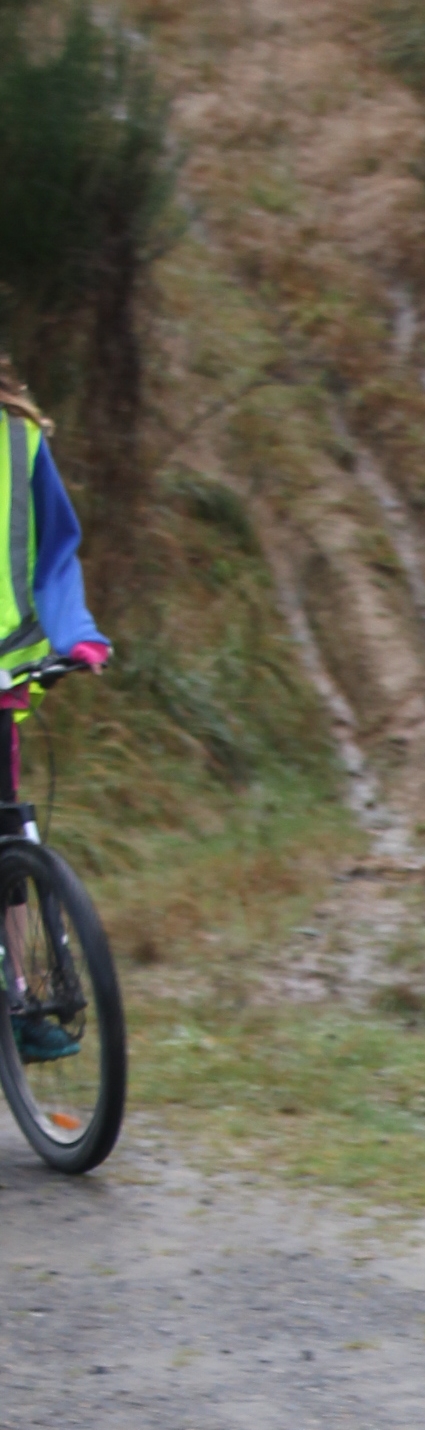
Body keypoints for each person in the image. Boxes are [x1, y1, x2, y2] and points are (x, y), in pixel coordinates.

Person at [0, 359, 112, 1061]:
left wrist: (76, 634)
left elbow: (55, 555)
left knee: (8, 841)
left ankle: (17, 1004)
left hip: (1, 674)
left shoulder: (20, 440)